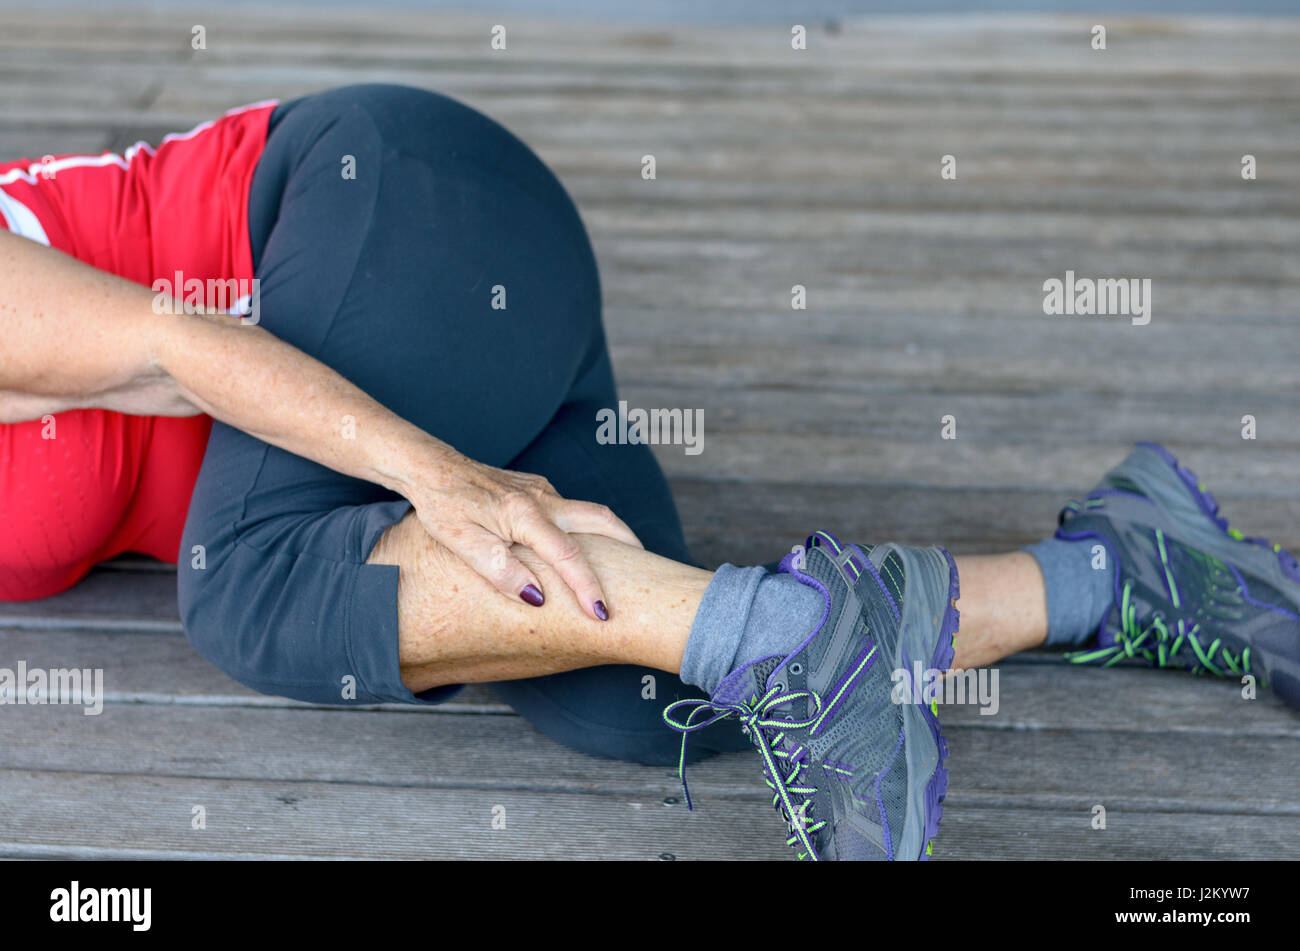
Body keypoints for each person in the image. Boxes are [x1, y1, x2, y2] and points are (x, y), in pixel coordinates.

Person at [2, 85, 1295, 861]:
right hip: (432, 370)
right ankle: (1120, 570)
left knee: (246, 595)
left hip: (393, 216)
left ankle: (793, 640)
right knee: (640, 703)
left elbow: (182, 348)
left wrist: (438, 478)